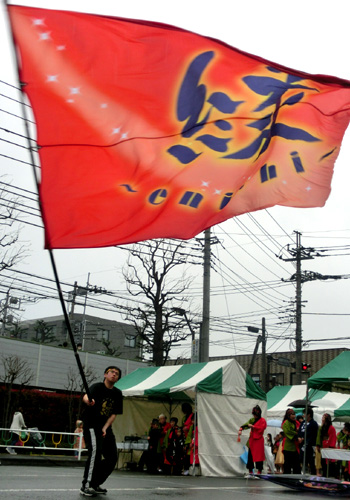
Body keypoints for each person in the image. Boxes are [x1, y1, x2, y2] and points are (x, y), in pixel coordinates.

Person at [80, 366, 123, 497]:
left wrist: (105, 428)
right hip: (92, 425)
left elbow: (114, 413)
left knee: (112, 457)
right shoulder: (97, 387)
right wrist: (89, 402)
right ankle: (86, 485)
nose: (114, 375)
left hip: (105, 426)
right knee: (95, 453)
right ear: (105, 374)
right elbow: (86, 396)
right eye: (112, 372)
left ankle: (95, 483)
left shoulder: (117, 393)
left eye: (117, 374)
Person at [238, 405, 267, 476]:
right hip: (252, 440)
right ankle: (250, 470)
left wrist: (254, 426)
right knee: (250, 455)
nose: (255, 416)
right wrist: (241, 429)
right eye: (254, 414)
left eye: (256, 415)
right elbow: (247, 425)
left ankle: (259, 471)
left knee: (259, 456)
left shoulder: (262, 420)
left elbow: (262, 428)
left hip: (259, 440)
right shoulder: (252, 420)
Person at [298, 408, 318, 475]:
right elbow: (299, 432)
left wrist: (304, 439)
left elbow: (313, 435)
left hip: (309, 445)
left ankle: (313, 474)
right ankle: (303, 473)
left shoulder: (313, 424)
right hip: (302, 445)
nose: (303, 415)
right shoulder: (303, 422)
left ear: (309, 415)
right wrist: (299, 437)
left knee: (311, 461)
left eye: (304, 414)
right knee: (302, 460)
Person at [316, 413, 337, 478]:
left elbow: (332, 437)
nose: (322, 419)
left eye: (324, 417)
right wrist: (318, 445)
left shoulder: (331, 428)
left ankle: (331, 476)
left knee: (329, 463)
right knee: (323, 463)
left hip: (329, 447)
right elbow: (319, 437)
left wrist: (330, 446)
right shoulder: (322, 427)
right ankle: (324, 475)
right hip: (323, 446)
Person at [282, 409, 301, 474]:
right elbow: (288, 432)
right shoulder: (286, 423)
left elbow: (301, 430)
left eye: (294, 414)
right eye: (292, 414)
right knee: (288, 465)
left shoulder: (296, 422)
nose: (294, 416)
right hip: (288, 446)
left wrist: (299, 435)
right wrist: (296, 433)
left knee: (297, 465)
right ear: (288, 415)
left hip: (296, 446)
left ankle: (297, 479)